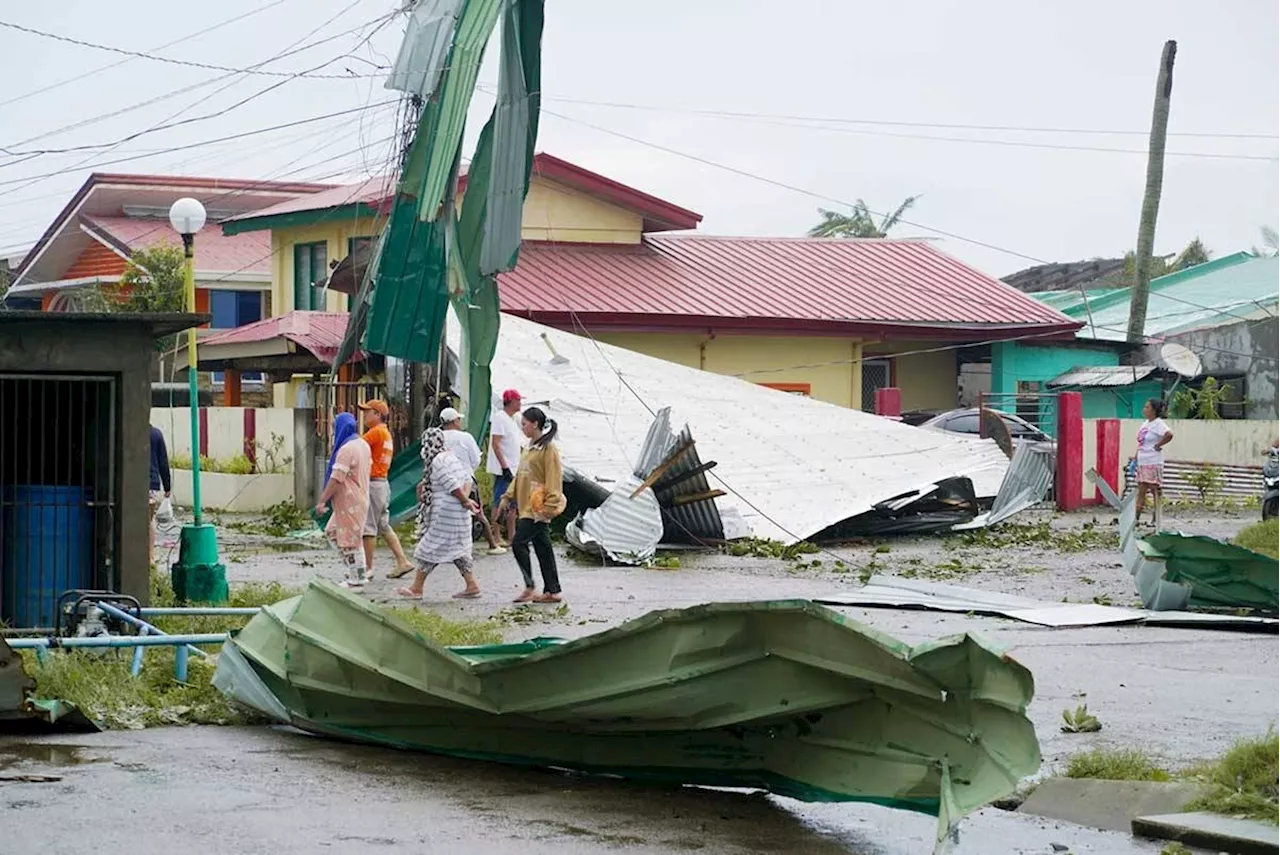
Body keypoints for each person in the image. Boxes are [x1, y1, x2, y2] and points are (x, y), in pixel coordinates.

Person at [396, 427, 483, 600]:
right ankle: (471, 585)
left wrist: (464, 501)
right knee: (459, 550)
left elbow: (451, 484)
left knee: (428, 548)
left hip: (446, 515)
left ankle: (416, 588)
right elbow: (466, 479)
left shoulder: (437, 461)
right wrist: (465, 501)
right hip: (458, 514)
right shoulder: (451, 457)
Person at [498, 407, 567, 603]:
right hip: (526, 505)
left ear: (535, 424)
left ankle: (530, 586)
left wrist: (550, 507)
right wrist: (507, 496)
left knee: (518, 542)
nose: (523, 428)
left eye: (525, 424)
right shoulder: (529, 447)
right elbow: (520, 475)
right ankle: (553, 591)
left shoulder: (549, 449)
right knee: (543, 548)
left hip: (538, 509)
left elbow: (554, 479)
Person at [357, 400, 414, 579]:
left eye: (368, 412)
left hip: (373, 484)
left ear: (377, 414)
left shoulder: (375, 433)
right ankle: (402, 561)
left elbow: (356, 449)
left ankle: (368, 568)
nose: (364, 415)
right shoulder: (386, 434)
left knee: (369, 528)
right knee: (383, 525)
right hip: (382, 484)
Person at [315, 412, 373, 587]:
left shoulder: (347, 449)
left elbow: (336, 478)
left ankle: (358, 578)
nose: (333, 432)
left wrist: (322, 500)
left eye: (334, 428)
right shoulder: (363, 444)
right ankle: (354, 569)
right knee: (333, 532)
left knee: (350, 540)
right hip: (357, 497)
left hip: (350, 500)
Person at [441, 406, 506, 555]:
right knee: (478, 512)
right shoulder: (465, 437)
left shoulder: (438, 437)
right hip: (465, 480)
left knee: (444, 513)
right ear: (453, 421)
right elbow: (476, 459)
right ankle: (492, 545)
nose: (459, 422)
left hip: (444, 480)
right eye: (458, 419)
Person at [486, 389, 523, 547]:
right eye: (518, 400)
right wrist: (504, 466)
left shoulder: (513, 419)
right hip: (504, 468)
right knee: (500, 501)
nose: (520, 403)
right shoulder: (500, 418)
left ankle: (512, 535)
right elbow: (496, 443)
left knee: (513, 503)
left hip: (514, 466)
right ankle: (496, 535)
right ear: (511, 401)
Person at [1132, 398, 1174, 527]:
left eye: (1147, 407)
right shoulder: (1145, 424)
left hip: (1153, 461)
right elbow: (1141, 443)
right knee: (1141, 490)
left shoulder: (1158, 424)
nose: (1144, 409)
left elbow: (1169, 434)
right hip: (1142, 460)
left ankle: (1156, 519)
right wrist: (1135, 458)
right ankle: (1136, 519)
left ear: (1154, 410)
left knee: (1155, 490)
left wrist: (1158, 445)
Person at [148, 425, 172, 569]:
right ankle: (150, 556)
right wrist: (167, 486)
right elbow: (163, 461)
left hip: (134, 482)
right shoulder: (156, 434)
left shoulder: (130, 431)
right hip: (152, 484)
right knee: (149, 520)